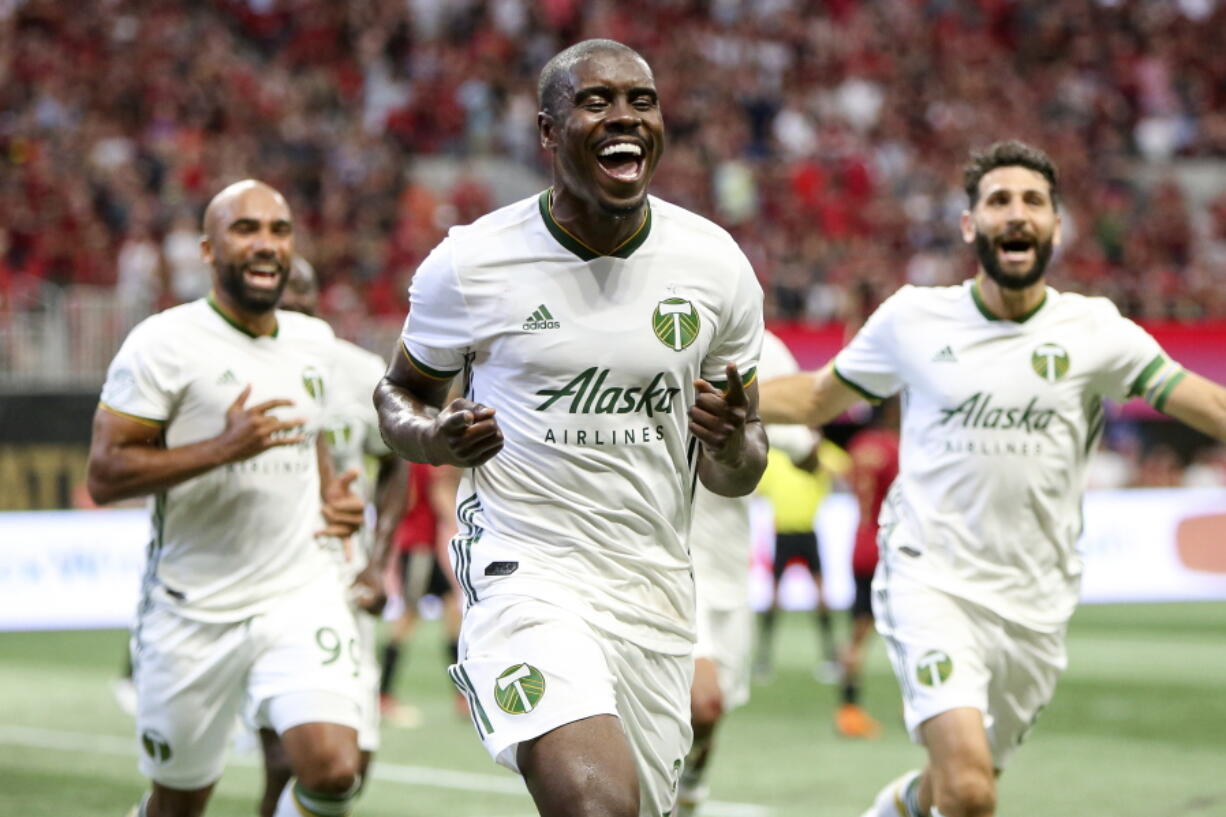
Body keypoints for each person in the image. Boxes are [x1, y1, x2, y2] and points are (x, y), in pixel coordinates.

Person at [758, 140, 1226, 817]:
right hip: (932, 579)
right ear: (970, 225)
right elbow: (811, 399)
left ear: (1057, 226)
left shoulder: (1093, 331)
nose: (1017, 213)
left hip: (1037, 603)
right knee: (973, 790)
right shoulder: (913, 319)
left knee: (953, 787)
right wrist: (704, 393)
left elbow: (1208, 403)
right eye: (999, 200)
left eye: (1033, 201)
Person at [374, 38, 768, 817]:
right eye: (597, 102)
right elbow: (397, 396)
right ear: (549, 133)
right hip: (526, 572)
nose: (624, 116)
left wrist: (729, 443)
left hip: (654, 588)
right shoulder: (473, 262)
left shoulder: (715, 265)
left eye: (641, 101)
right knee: (597, 807)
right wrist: (435, 438)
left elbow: (741, 464)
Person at [87, 179, 368, 817]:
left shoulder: (312, 344)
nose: (267, 245)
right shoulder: (163, 343)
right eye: (246, 230)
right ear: (209, 251)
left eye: (279, 230)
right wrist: (221, 448)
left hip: (299, 593)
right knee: (181, 801)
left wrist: (333, 497)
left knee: (333, 769)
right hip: (193, 609)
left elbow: (310, 433)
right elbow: (105, 474)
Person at [250, 255, 408, 817]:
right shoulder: (233, 369)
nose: (293, 310)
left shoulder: (359, 373)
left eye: (303, 300)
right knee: (287, 757)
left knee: (347, 773)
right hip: (262, 584)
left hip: (341, 583)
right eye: (281, 301)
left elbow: (396, 466)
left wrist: (376, 563)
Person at [675, 330, 813, 817]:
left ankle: (688, 787)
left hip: (728, 567)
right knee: (700, 703)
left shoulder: (762, 348)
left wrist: (766, 423)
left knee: (711, 715)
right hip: (665, 563)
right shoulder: (642, 329)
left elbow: (806, 434)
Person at [751, 424, 848, 683]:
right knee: (772, 598)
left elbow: (844, 468)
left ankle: (830, 658)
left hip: (807, 533)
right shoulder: (775, 456)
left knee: (821, 598)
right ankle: (763, 659)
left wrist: (820, 454)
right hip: (782, 533)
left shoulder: (819, 451)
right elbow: (756, 486)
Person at [377, 461, 462, 725]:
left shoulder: (420, 457)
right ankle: (382, 695)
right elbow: (427, 499)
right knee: (407, 619)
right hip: (417, 548)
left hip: (425, 548)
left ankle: (463, 696)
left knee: (452, 613)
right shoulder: (419, 461)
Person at [835, 397, 900, 739]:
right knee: (911, 630)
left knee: (857, 634)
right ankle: (919, 709)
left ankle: (848, 710)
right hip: (890, 548)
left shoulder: (859, 446)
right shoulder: (895, 447)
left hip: (859, 543)